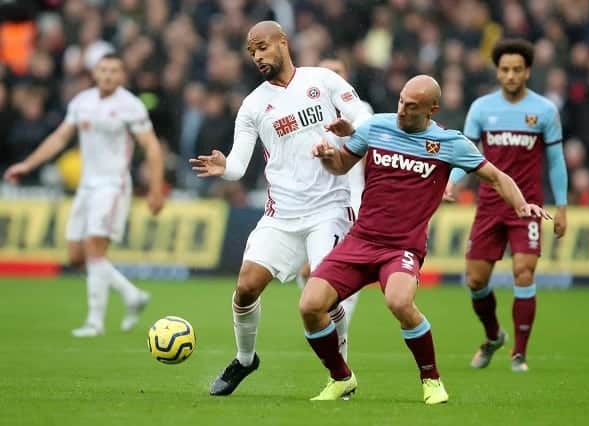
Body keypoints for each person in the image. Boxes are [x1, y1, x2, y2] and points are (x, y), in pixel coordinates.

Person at [299, 75, 550, 403]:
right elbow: (342, 165)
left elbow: (496, 177)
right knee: (309, 305)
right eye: (401, 101)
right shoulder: (376, 126)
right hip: (359, 241)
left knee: (400, 302)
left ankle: (431, 380)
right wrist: (326, 155)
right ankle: (341, 377)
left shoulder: (450, 143)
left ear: (433, 109)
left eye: (412, 106)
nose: (402, 110)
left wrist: (521, 206)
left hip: (402, 247)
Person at [189, 21, 371, 396]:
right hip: (281, 215)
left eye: (261, 47)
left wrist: (349, 129)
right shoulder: (253, 105)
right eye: (251, 51)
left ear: (282, 43)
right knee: (245, 288)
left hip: (329, 210)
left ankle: (341, 375)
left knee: (324, 297)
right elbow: (239, 165)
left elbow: (365, 119)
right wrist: (224, 169)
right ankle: (244, 359)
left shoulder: (323, 80)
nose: (256, 55)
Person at [3, 53, 165, 337]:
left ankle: (95, 321)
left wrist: (155, 189)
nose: (107, 76)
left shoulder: (131, 105)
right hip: (86, 186)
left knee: (94, 249)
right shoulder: (82, 102)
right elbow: (60, 138)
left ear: (122, 75)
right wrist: (28, 165)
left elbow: (151, 147)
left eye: (114, 71)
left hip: (113, 185)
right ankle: (131, 295)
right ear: (95, 73)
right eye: (102, 70)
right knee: (77, 257)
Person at [447, 39, 568, 372]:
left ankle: (519, 353)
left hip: (527, 207)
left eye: (517, 69)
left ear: (528, 71)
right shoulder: (482, 109)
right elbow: (466, 155)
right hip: (489, 205)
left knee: (523, 272)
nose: (511, 75)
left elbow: (556, 161)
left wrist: (562, 206)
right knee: (474, 280)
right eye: (505, 70)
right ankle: (493, 335)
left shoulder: (544, 111)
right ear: (497, 72)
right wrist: (453, 181)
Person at [295, 57, 374, 327]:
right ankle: (326, 318)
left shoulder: (360, 110)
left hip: (348, 197)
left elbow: (367, 154)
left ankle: (340, 329)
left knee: (330, 270)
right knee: (307, 273)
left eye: (337, 72)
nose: (331, 76)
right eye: (326, 72)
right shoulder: (305, 107)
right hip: (311, 198)